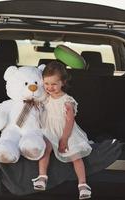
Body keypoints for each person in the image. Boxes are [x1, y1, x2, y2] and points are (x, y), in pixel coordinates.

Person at [32, 61, 92, 199]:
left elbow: (70, 121)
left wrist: (64, 139)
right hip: (49, 130)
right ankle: (42, 177)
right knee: (45, 148)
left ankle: (83, 185)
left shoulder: (67, 101)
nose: (49, 87)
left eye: (54, 84)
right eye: (46, 84)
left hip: (66, 131)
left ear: (63, 82)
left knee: (75, 156)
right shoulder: (45, 98)